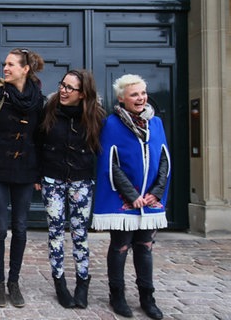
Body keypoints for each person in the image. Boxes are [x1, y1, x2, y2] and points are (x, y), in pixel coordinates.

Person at [92, 74, 170, 319]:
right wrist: (132, 194)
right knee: (121, 245)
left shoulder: (155, 123)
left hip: (150, 200)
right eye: (134, 94)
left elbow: (165, 159)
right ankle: (117, 295)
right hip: (124, 200)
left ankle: (148, 297)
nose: (140, 98)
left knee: (145, 247)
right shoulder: (111, 124)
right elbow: (109, 163)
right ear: (122, 98)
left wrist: (155, 193)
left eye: (143, 93)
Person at [0, 48, 45, 308]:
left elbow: (39, 138)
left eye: (11, 65)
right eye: (4, 64)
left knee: (20, 227)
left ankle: (13, 282)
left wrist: (38, 172)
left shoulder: (38, 99)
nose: (5, 68)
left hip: (26, 170)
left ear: (25, 69)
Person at [39, 69, 105, 309]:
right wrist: (38, 174)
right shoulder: (49, 110)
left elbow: (103, 150)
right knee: (55, 233)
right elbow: (38, 142)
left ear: (83, 93)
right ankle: (60, 284)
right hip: (52, 180)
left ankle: (82, 283)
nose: (63, 91)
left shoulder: (96, 116)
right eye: (62, 85)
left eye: (70, 88)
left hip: (81, 181)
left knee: (80, 235)